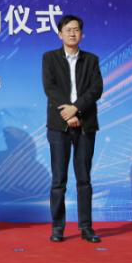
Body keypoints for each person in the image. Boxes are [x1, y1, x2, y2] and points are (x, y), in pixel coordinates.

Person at [41, 14, 104, 243]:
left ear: (82, 34)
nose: (72, 33)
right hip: (59, 126)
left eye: (76, 29)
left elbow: (96, 89)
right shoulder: (49, 58)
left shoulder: (91, 60)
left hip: (85, 124)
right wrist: (67, 114)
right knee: (59, 180)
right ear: (60, 34)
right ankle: (58, 227)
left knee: (84, 179)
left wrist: (75, 109)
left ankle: (86, 227)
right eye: (68, 30)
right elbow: (50, 88)